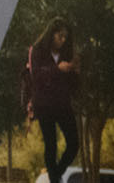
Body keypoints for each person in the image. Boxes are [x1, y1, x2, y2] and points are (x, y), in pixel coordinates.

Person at [25, 17, 80, 180]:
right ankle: (55, 180)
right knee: (51, 145)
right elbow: (36, 76)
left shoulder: (67, 54)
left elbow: (73, 86)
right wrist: (58, 69)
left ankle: (55, 175)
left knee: (74, 143)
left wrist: (75, 73)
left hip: (62, 104)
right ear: (51, 34)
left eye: (65, 37)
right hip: (44, 104)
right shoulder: (37, 50)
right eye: (60, 36)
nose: (63, 40)